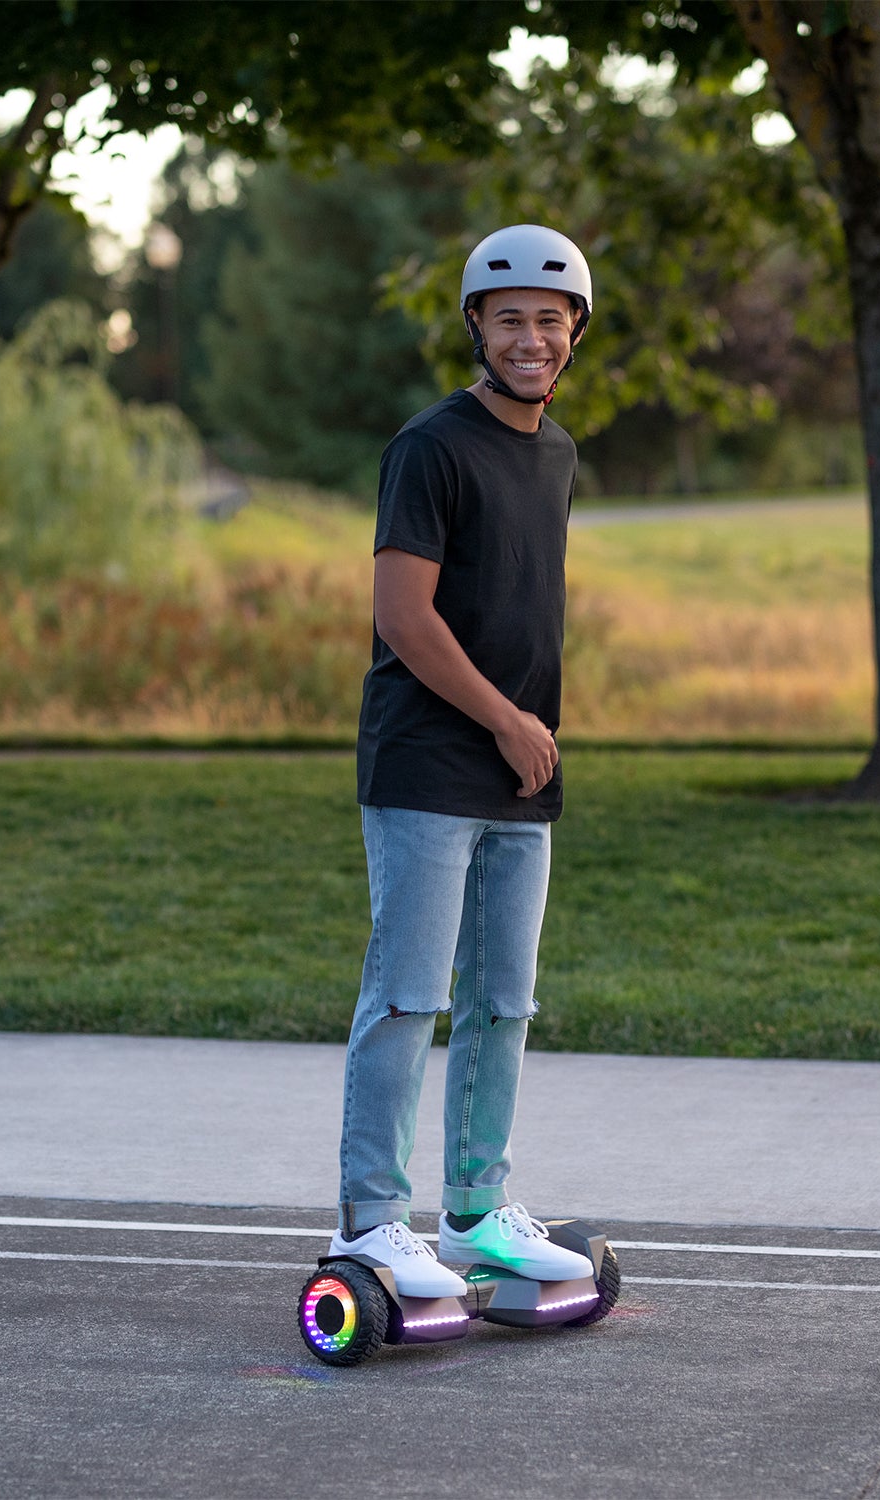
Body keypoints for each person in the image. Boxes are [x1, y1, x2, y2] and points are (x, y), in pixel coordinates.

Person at [328, 225, 597, 1296]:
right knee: (407, 995)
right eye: (510, 318)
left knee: (504, 1001)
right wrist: (503, 718)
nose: (531, 338)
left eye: (550, 318)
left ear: (575, 331)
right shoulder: (429, 447)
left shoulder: (557, 451)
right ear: (477, 328)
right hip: (430, 763)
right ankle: (371, 1222)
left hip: (519, 767)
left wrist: (525, 735)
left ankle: (478, 1213)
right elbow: (404, 616)